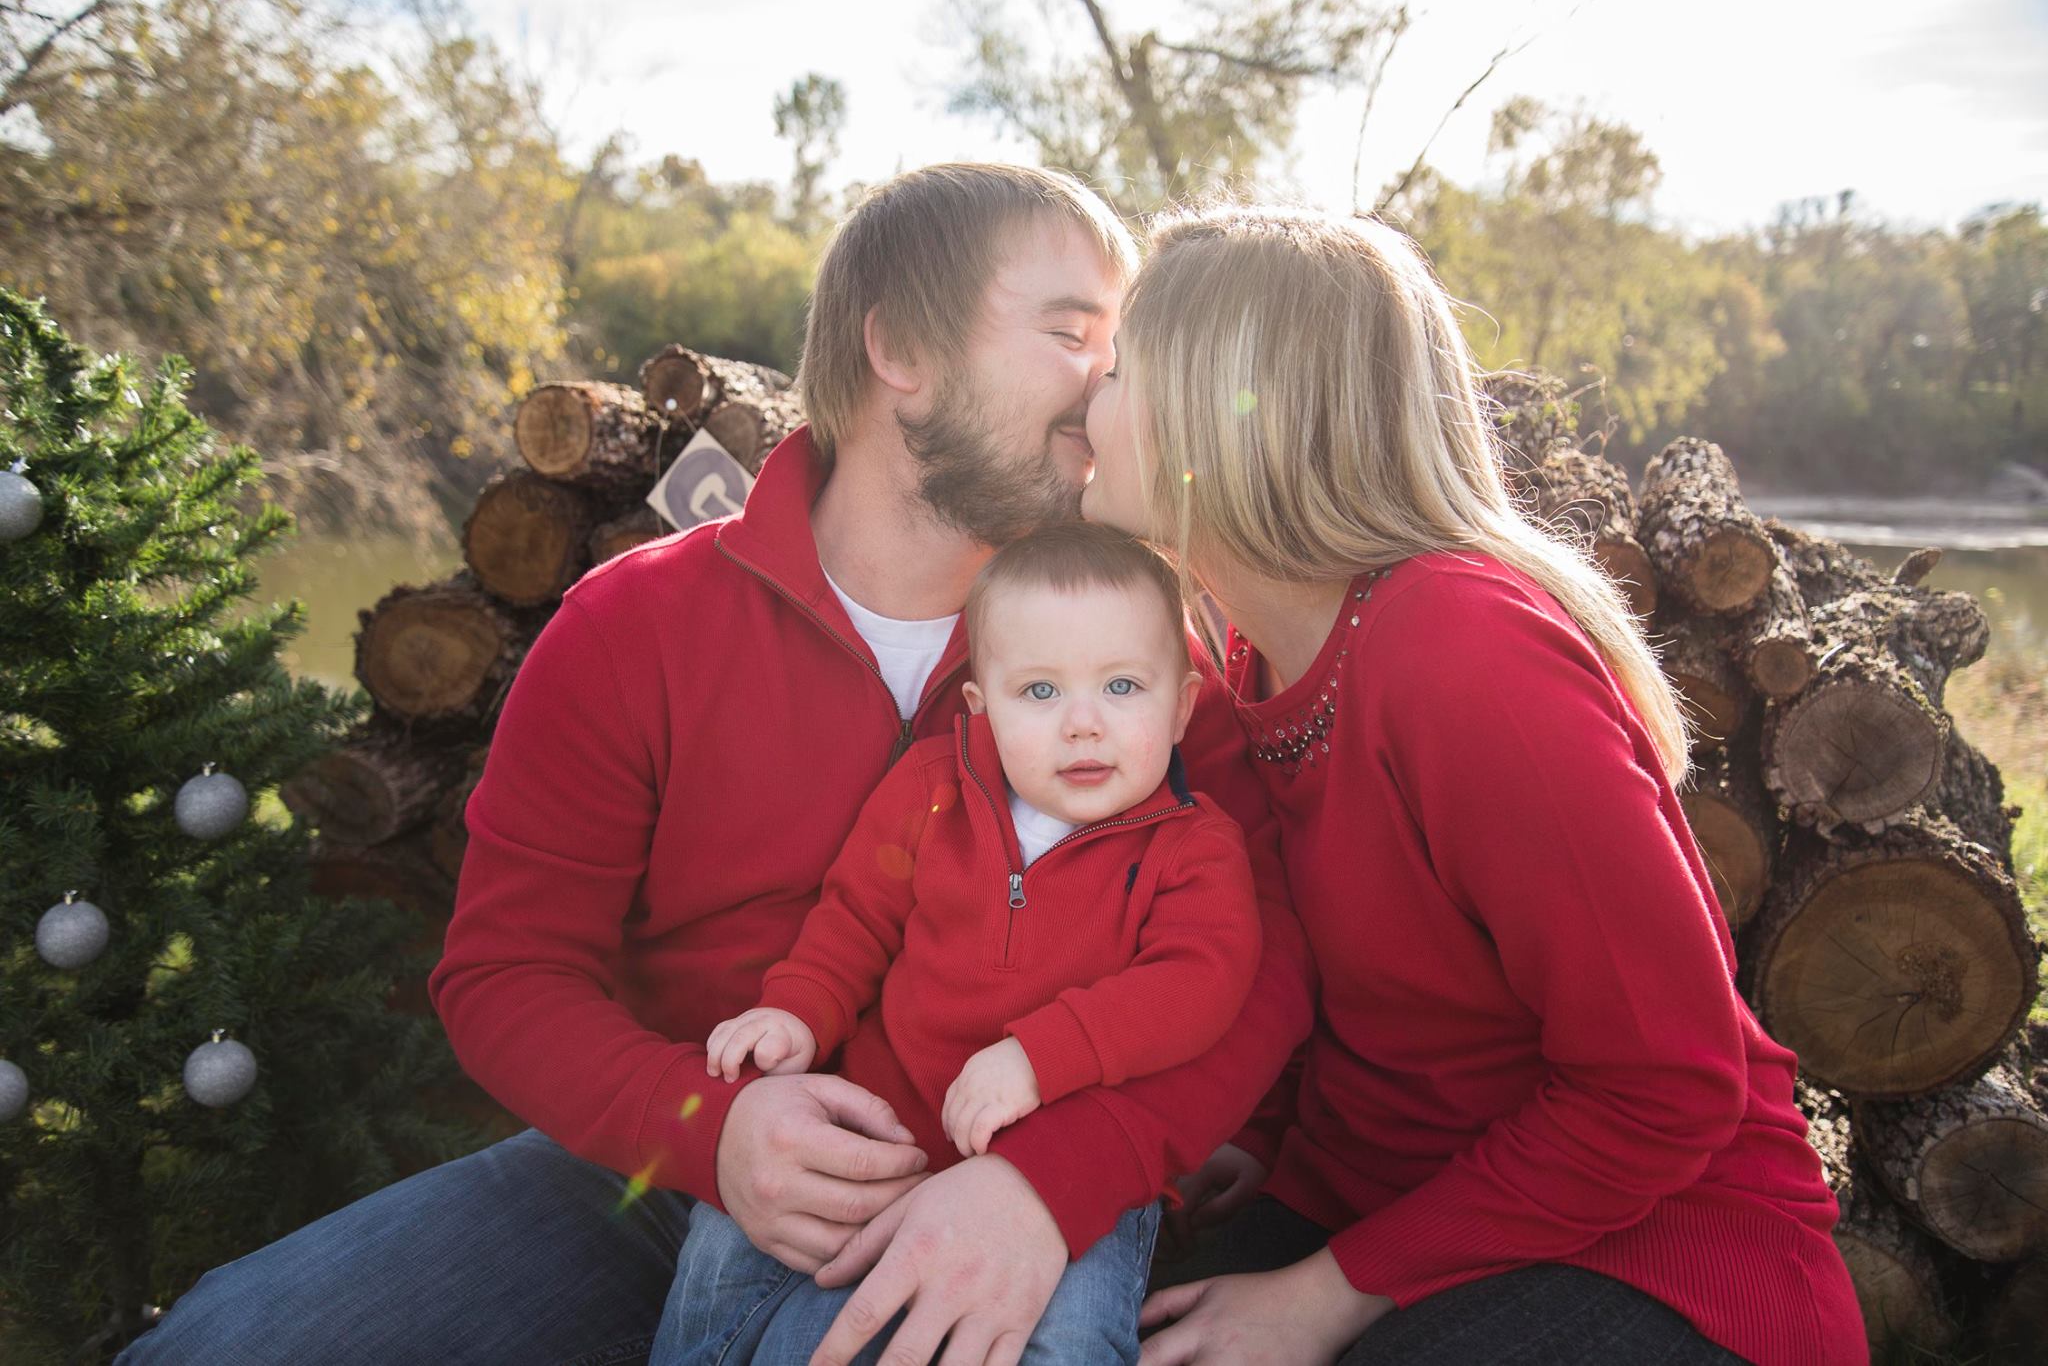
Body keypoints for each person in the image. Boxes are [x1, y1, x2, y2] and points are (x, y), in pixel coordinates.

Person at [115, 166, 1310, 1366]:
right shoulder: (633, 624)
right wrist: (714, 1126)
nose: (1105, 377)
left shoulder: (1134, 643)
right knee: (217, 1344)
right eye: (1068, 333)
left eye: (1115, 345)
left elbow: (1254, 966)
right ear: (900, 346)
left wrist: (1051, 1184)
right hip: (657, 1167)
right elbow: (505, 973)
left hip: (997, 1158)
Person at [1077, 204, 1867, 1366]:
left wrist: (1323, 1291)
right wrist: (1276, 1136)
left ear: (1216, 409)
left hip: (1656, 1251)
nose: (1084, 402)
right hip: (1387, 1203)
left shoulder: (1460, 650)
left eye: (1116, 370)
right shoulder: (1242, 659)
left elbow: (1663, 1086)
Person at [655, 522, 1261, 1364]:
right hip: (885, 1128)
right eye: (1040, 693)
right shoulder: (935, 789)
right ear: (983, 703)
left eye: (1123, 686)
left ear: (1184, 703)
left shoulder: (1192, 849)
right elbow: (854, 923)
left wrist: (1040, 1057)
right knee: (727, 1240)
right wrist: (795, 1009)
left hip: (1063, 1176)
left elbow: (1199, 983)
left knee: (1073, 1331)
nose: (1083, 725)